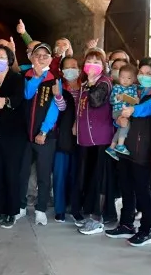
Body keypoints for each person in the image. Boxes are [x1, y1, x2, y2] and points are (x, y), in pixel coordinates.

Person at [109, 57, 151, 246]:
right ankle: (126, 224)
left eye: (149, 73)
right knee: (126, 187)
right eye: (141, 72)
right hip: (127, 147)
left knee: (142, 190)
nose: (143, 76)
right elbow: (121, 113)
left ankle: (145, 230)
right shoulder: (138, 90)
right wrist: (119, 119)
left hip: (143, 150)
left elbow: (146, 109)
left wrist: (130, 110)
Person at [21, 43, 66, 226]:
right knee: (23, 172)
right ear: (31, 57)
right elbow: (27, 95)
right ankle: (21, 206)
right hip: (25, 134)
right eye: (37, 55)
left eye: (45, 55)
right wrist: (36, 77)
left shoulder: (55, 78)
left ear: (50, 59)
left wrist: (44, 131)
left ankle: (40, 209)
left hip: (45, 136)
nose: (41, 58)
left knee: (43, 173)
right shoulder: (26, 75)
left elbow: (56, 108)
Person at [71, 49, 115, 235]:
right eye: (90, 60)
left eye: (97, 61)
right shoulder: (85, 83)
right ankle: (88, 214)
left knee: (99, 178)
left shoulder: (104, 82)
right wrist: (76, 123)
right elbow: (80, 107)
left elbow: (96, 102)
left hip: (100, 138)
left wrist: (90, 83)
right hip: (85, 138)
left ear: (103, 65)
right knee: (87, 177)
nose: (92, 64)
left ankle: (98, 218)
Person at [0, 45, 26, 229]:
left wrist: (7, 101)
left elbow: (19, 99)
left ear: (9, 60)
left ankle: (12, 212)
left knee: (11, 173)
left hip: (13, 135)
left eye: (1, 56)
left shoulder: (17, 79)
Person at [53, 56, 79, 223]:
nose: (71, 70)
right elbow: (60, 108)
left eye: (74, 66)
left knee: (77, 174)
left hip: (82, 138)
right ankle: (60, 209)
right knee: (60, 174)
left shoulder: (86, 87)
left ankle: (75, 207)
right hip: (63, 136)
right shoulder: (59, 88)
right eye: (67, 67)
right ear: (62, 71)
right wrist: (58, 96)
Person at [107, 63, 140, 159]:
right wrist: (118, 98)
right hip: (118, 111)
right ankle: (120, 145)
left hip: (127, 111)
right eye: (122, 77)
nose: (125, 80)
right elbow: (111, 101)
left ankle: (111, 147)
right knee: (126, 124)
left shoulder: (134, 88)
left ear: (134, 79)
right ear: (119, 77)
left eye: (129, 78)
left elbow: (136, 100)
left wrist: (136, 100)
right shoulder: (116, 87)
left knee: (121, 128)